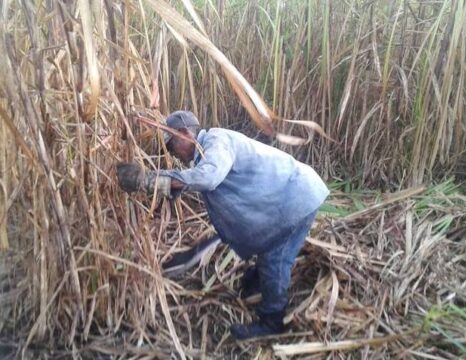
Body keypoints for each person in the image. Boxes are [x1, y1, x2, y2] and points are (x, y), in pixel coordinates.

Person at [116, 111, 329, 340]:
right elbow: (197, 180)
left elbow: (208, 178)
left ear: (184, 133)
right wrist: (159, 184)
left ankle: (271, 322)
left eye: (171, 146)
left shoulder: (217, 141)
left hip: (296, 197)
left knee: (274, 257)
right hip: (290, 197)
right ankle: (257, 282)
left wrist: (147, 179)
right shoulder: (205, 153)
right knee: (270, 255)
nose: (173, 153)